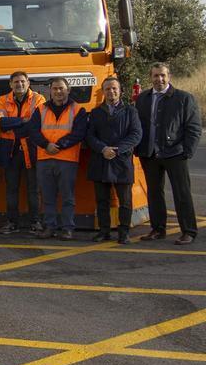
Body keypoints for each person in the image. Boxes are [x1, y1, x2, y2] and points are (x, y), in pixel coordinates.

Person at [135, 63, 201, 245]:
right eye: (155, 76)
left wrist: (187, 152)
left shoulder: (183, 98)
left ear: (169, 76)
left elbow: (194, 128)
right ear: (151, 77)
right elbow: (137, 126)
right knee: (154, 194)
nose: (159, 79)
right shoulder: (142, 99)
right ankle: (158, 229)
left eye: (163, 75)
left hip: (175, 154)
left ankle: (188, 231)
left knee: (182, 194)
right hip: (149, 154)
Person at [27, 78, 88, 240]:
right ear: (50, 91)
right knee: (47, 196)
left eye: (61, 88)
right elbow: (32, 131)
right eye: (55, 89)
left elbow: (79, 133)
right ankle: (50, 227)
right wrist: (46, 145)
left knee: (67, 197)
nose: (58, 92)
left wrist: (59, 145)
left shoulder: (78, 110)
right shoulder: (40, 110)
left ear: (68, 90)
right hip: (45, 158)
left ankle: (67, 228)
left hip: (67, 159)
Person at [86, 77, 143, 243]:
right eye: (107, 89)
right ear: (103, 92)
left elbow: (136, 134)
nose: (111, 92)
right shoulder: (96, 113)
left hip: (121, 161)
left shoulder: (131, 111)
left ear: (120, 91)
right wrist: (103, 149)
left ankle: (123, 232)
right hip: (100, 160)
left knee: (125, 201)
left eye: (114, 89)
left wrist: (117, 150)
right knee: (102, 200)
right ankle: (104, 231)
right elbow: (90, 135)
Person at [0, 71, 45, 235]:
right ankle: (12, 222)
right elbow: (1, 122)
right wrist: (23, 121)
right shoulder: (2, 100)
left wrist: (15, 124)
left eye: (23, 81)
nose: (19, 84)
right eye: (16, 82)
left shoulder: (39, 99)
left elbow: (37, 123)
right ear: (10, 84)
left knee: (34, 189)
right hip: (10, 149)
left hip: (32, 148)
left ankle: (35, 222)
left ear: (28, 83)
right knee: (11, 189)